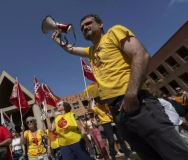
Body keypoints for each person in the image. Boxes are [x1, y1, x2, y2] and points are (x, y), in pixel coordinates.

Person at [51, 13, 188, 159]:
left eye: (88, 23)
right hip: (118, 112)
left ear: (101, 24)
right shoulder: (91, 51)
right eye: (82, 27)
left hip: (137, 103)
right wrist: (58, 39)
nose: (85, 27)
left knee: (174, 153)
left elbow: (141, 54)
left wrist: (131, 94)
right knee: (150, 156)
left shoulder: (114, 32)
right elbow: (71, 49)